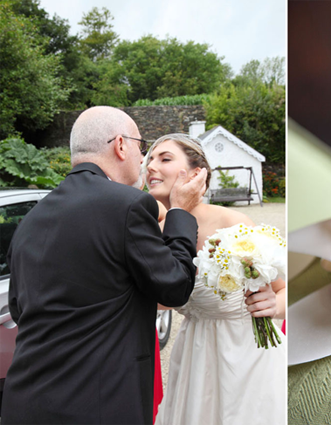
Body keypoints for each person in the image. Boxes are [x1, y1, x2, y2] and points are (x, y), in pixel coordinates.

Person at [3, 106, 207, 425]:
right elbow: (176, 285)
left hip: (24, 404)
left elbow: (19, 308)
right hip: (96, 407)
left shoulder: (30, 220)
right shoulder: (127, 205)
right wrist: (181, 212)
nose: (144, 160)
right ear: (121, 145)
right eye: (141, 147)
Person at [145, 134, 286, 425]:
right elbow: (159, 302)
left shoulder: (232, 224)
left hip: (246, 356)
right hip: (194, 355)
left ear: (197, 174)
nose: (151, 166)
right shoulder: (156, 231)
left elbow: (283, 292)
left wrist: (273, 304)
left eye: (165, 158)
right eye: (149, 159)